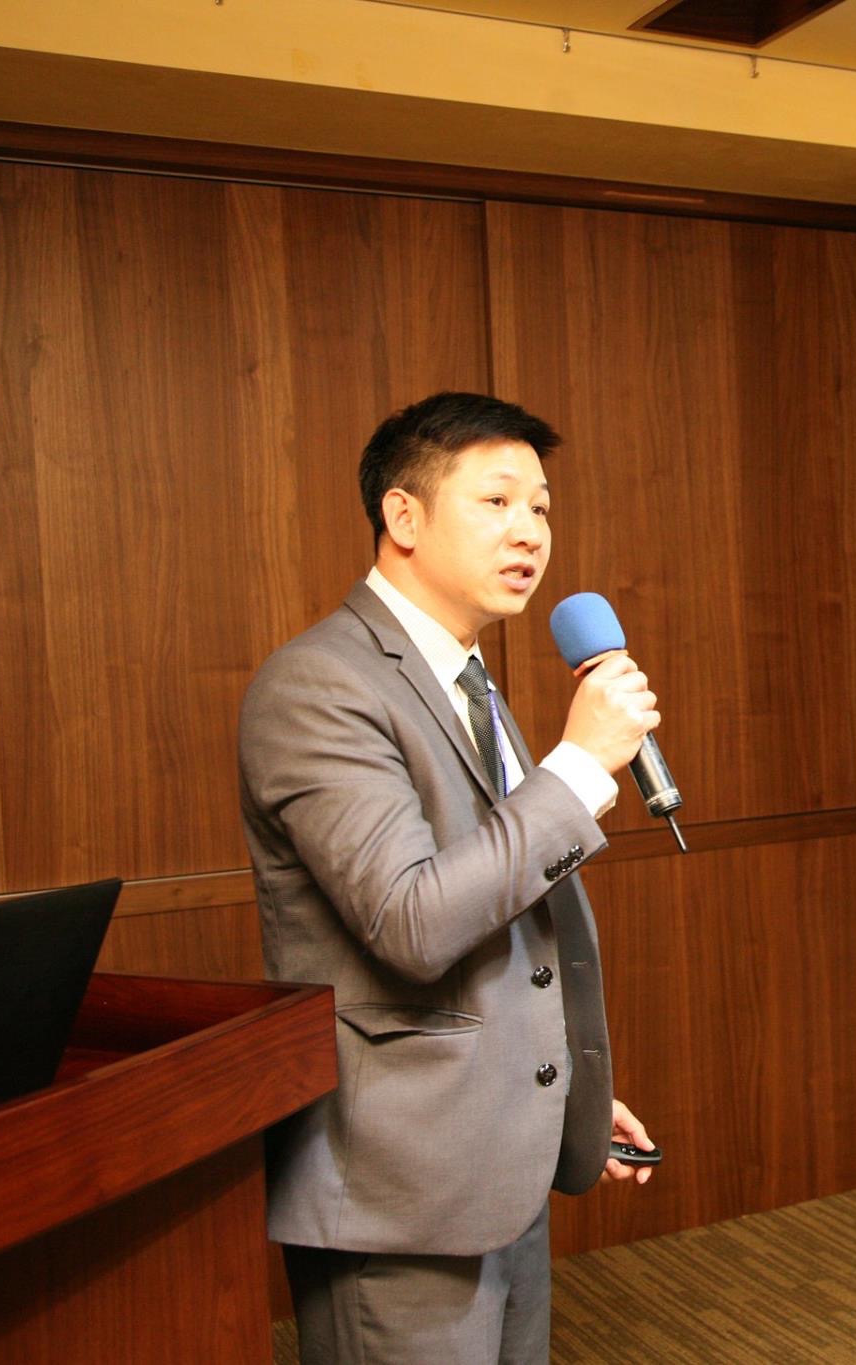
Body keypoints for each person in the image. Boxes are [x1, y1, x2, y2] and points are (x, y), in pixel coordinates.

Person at [238, 391, 657, 1363]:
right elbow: (413, 920)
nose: (530, 532)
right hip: (401, 1189)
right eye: (497, 501)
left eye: (541, 507)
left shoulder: (465, 678)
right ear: (404, 515)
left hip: (501, 1159)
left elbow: (498, 907)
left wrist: (561, 1091)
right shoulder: (319, 684)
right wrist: (579, 768)